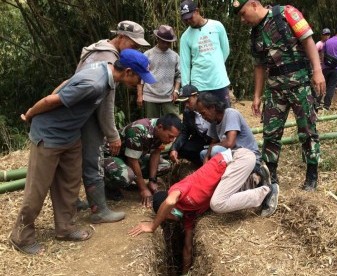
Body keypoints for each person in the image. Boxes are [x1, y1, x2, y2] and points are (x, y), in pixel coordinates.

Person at [10, 49, 156, 255]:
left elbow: (67, 82)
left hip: (71, 135)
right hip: (50, 135)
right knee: (38, 188)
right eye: (140, 78)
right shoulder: (95, 83)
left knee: (69, 184)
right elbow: (52, 101)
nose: (141, 83)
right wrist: (31, 115)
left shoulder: (106, 74)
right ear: (129, 72)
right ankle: (21, 236)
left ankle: (65, 228)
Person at [129, 148, 273, 274]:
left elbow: (170, 201)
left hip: (238, 159)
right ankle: (257, 177)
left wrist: (153, 226)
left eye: (167, 215)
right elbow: (187, 246)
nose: (170, 219)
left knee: (217, 204)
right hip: (236, 170)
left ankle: (267, 191)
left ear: (166, 209)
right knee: (221, 200)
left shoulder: (177, 190)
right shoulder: (188, 214)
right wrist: (185, 273)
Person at [233, 0, 325, 191]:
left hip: (300, 84)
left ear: (253, 4)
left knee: (307, 131)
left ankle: (312, 175)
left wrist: (317, 70)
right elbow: (259, 66)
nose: (242, 19)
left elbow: (308, 41)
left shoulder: (287, 14)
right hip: (275, 90)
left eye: (243, 13)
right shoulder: (255, 34)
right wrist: (257, 96)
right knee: (271, 134)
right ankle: (270, 175)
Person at [76, 20, 151, 224]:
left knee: (74, 160)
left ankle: (73, 202)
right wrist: (112, 134)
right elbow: (105, 103)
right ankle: (99, 210)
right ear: (121, 37)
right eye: (134, 44)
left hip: (79, 113)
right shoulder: (108, 58)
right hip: (89, 116)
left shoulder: (96, 49)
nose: (135, 49)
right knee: (93, 160)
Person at [196, 92, 278, 216]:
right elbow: (213, 144)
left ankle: (261, 179)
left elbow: (229, 142)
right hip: (233, 156)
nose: (203, 117)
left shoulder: (230, 114)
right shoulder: (214, 123)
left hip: (248, 157)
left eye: (203, 113)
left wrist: (210, 152)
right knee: (203, 154)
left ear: (212, 108)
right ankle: (221, 187)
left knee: (214, 152)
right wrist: (207, 156)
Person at [103, 114, 182, 208]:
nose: (172, 140)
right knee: (125, 175)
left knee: (165, 165)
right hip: (110, 156)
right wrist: (143, 189)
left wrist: (152, 180)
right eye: (170, 136)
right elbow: (132, 161)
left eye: (174, 137)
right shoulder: (138, 130)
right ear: (160, 127)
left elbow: (156, 153)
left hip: (131, 156)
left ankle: (130, 181)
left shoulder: (161, 129)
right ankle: (109, 186)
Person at [179, 0, 231, 107]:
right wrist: (186, 89)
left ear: (197, 11)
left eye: (190, 17)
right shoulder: (185, 37)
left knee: (224, 114)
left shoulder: (217, 26)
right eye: (185, 19)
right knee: (203, 119)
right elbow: (184, 64)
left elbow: (225, 50)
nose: (188, 21)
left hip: (219, 81)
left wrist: (216, 65)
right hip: (199, 85)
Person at [137, 25, 181, 118]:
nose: (165, 44)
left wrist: (176, 90)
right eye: (163, 41)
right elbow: (141, 76)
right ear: (157, 39)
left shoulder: (175, 56)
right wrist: (140, 95)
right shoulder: (148, 54)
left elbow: (179, 75)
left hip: (169, 96)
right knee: (152, 125)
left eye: (168, 43)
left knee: (174, 123)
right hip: (150, 95)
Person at [170, 85, 212, 167]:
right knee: (180, 149)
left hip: (216, 142)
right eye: (184, 103)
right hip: (200, 143)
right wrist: (174, 148)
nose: (186, 105)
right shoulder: (187, 112)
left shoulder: (211, 107)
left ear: (196, 96)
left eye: (188, 101)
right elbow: (184, 132)